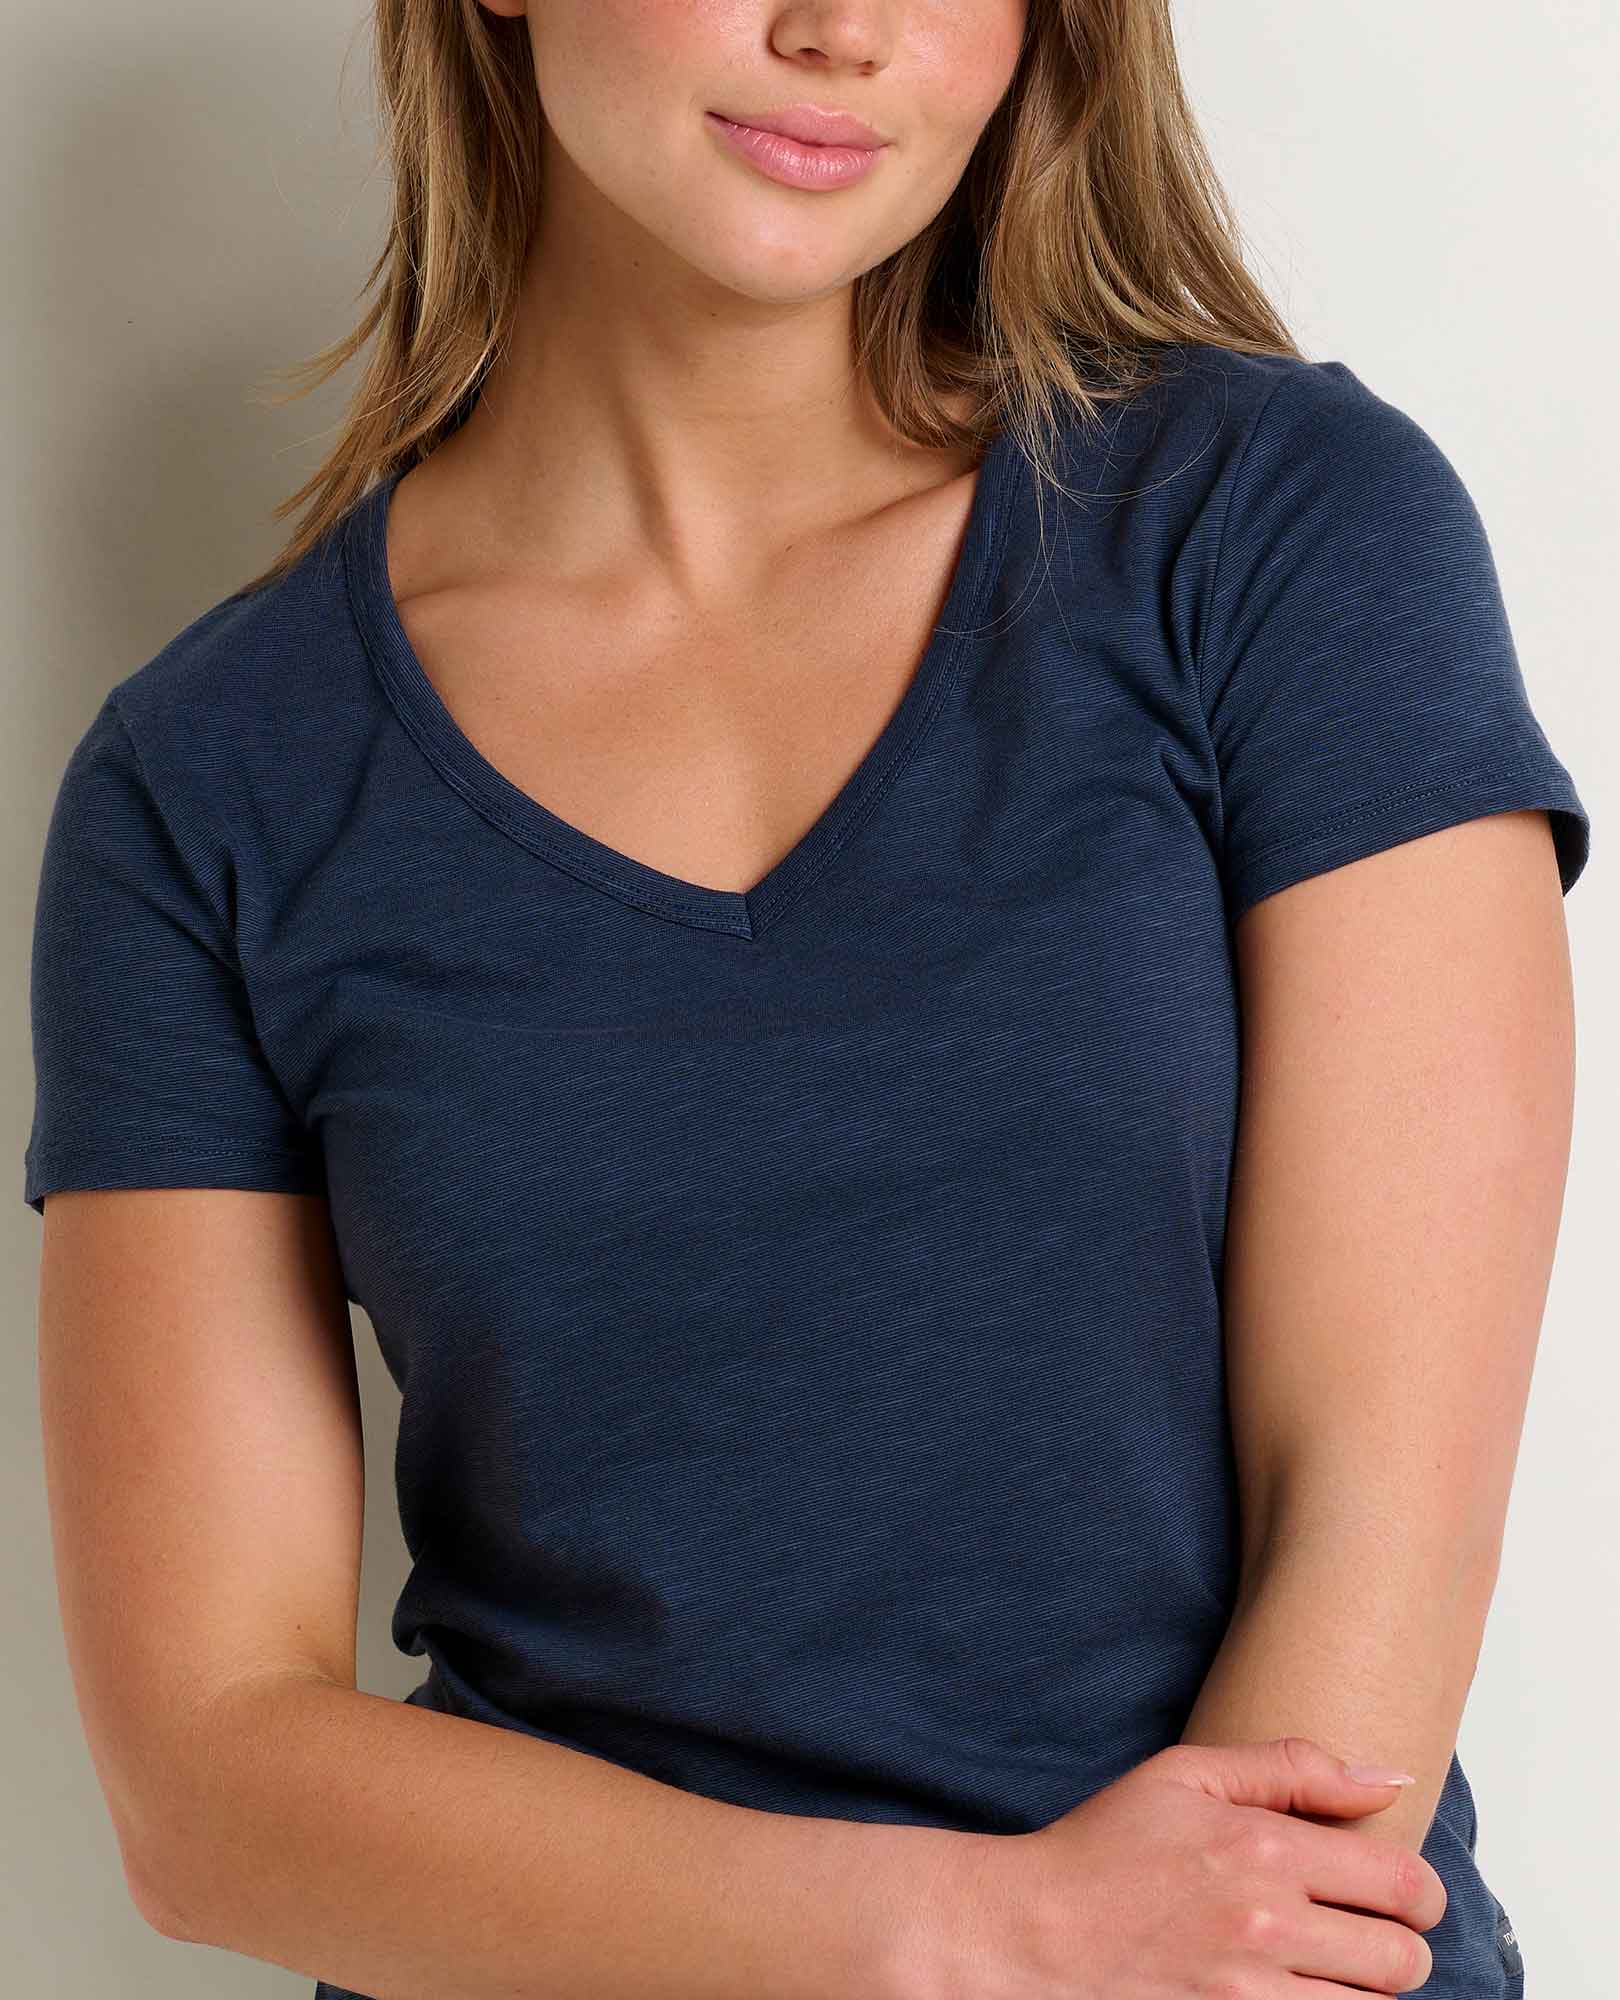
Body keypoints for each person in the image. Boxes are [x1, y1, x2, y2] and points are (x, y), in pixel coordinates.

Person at [24, 2, 1587, 1997]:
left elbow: (1376, 1533)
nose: (841, 30)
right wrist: (983, 1939)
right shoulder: (207, 785)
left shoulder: (1273, 531)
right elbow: (209, 1781)